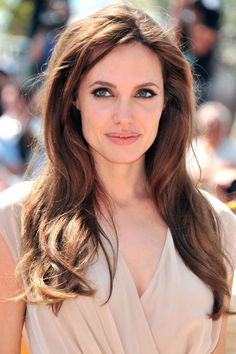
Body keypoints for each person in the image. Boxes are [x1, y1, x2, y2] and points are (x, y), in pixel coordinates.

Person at [0, 3, 236, 354]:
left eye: (144, 93)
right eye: (103, 92)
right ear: (73, 98)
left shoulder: (217, 227)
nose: (124, 116)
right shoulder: (17, 220)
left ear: (167, 102)